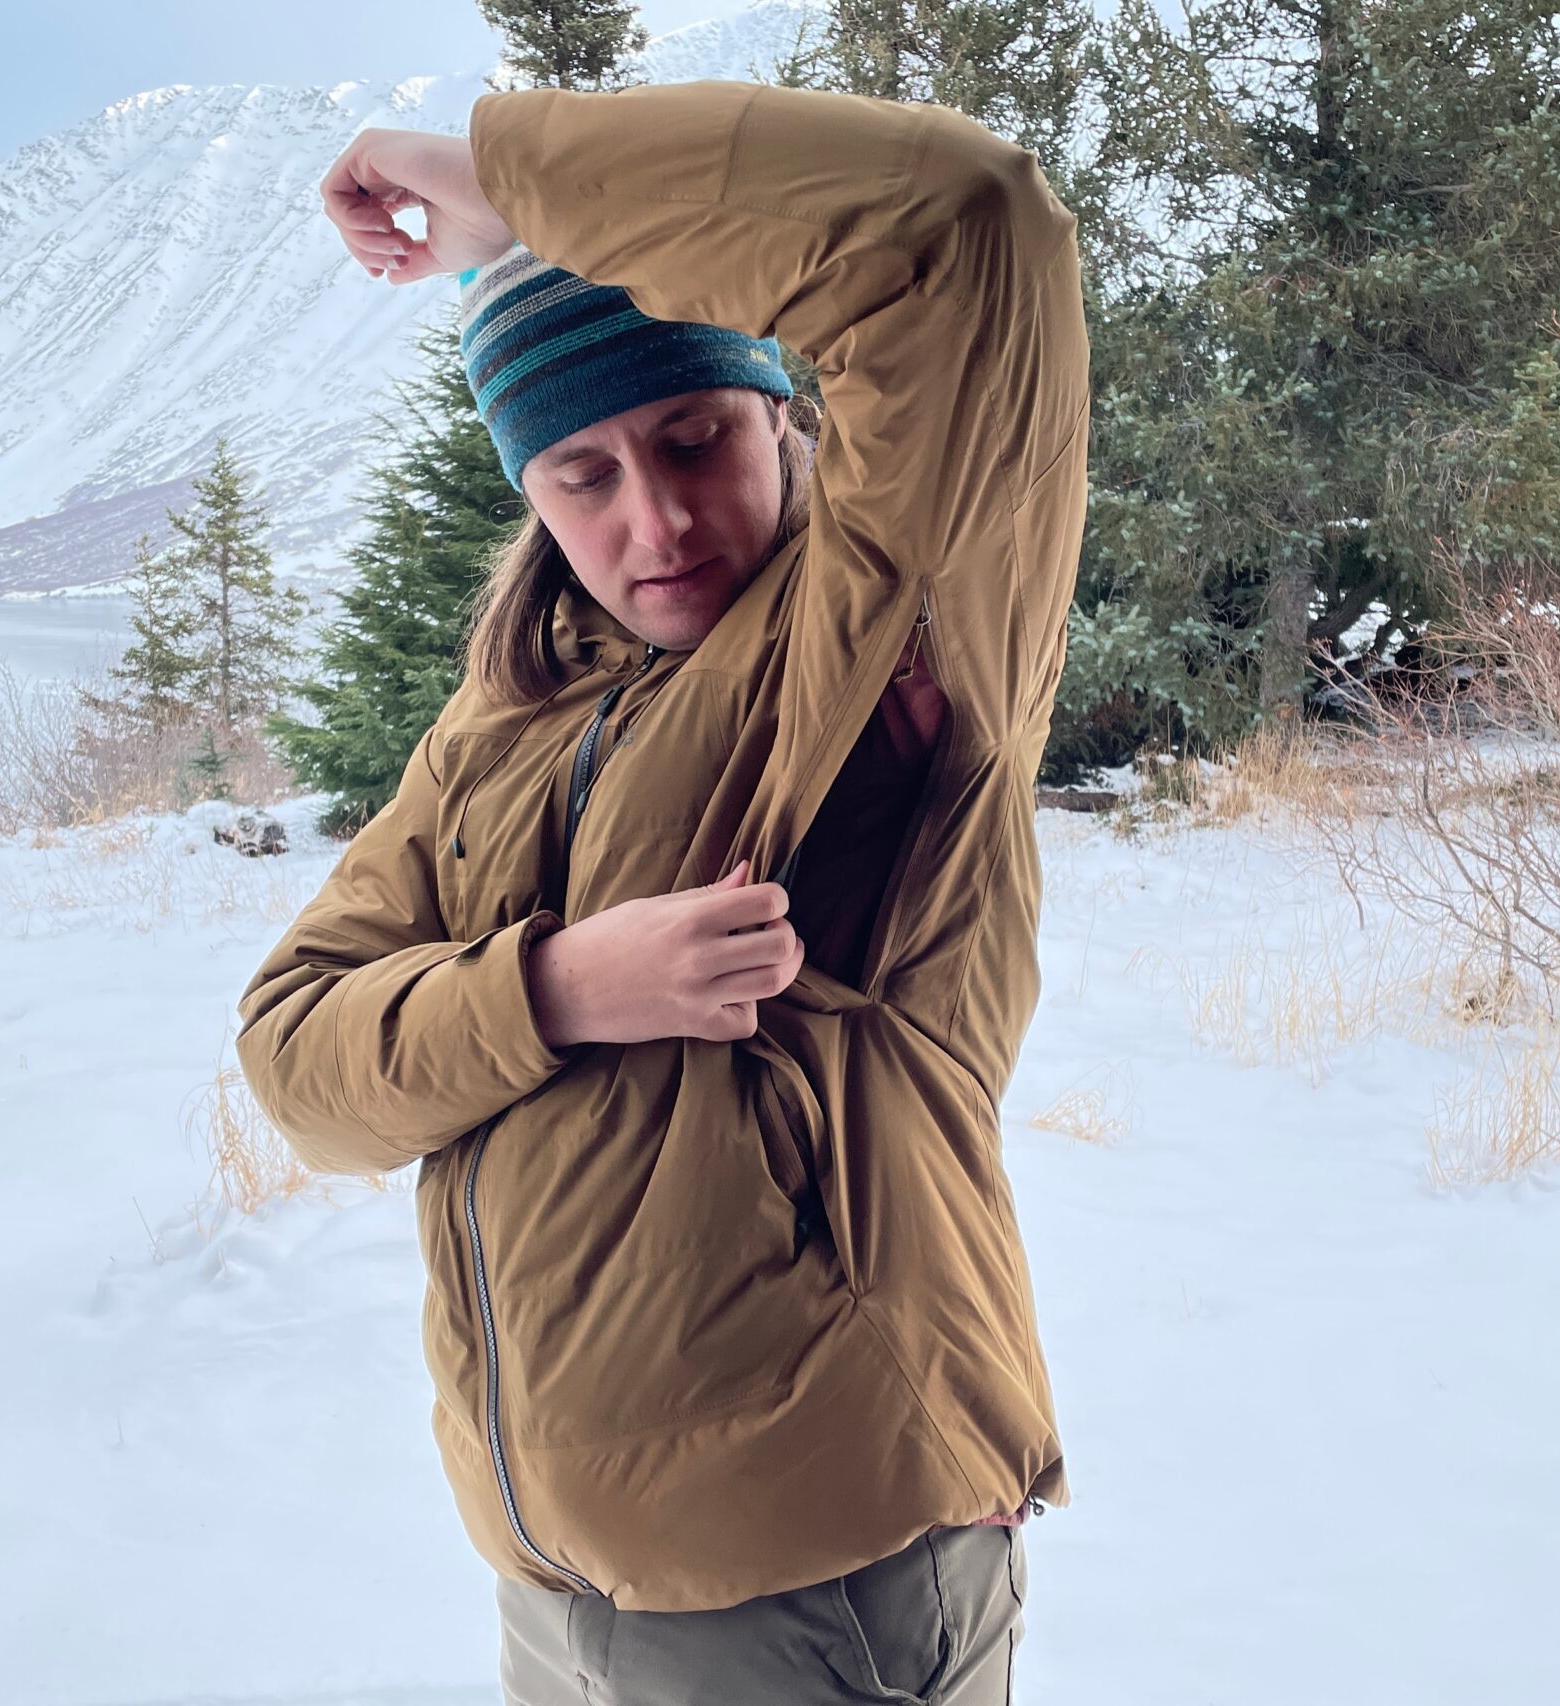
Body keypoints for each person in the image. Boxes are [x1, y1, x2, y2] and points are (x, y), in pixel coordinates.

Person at [238, 76, 1089, 1705]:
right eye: (581, 477)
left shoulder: (894, 623)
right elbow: (298, 1057)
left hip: (818, 1576)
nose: (656, 522)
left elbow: (967, 227)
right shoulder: (507, 716)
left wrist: (502, 184)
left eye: (693, 437)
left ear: (778, 411)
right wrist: (562, 987)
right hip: (557, 1588)